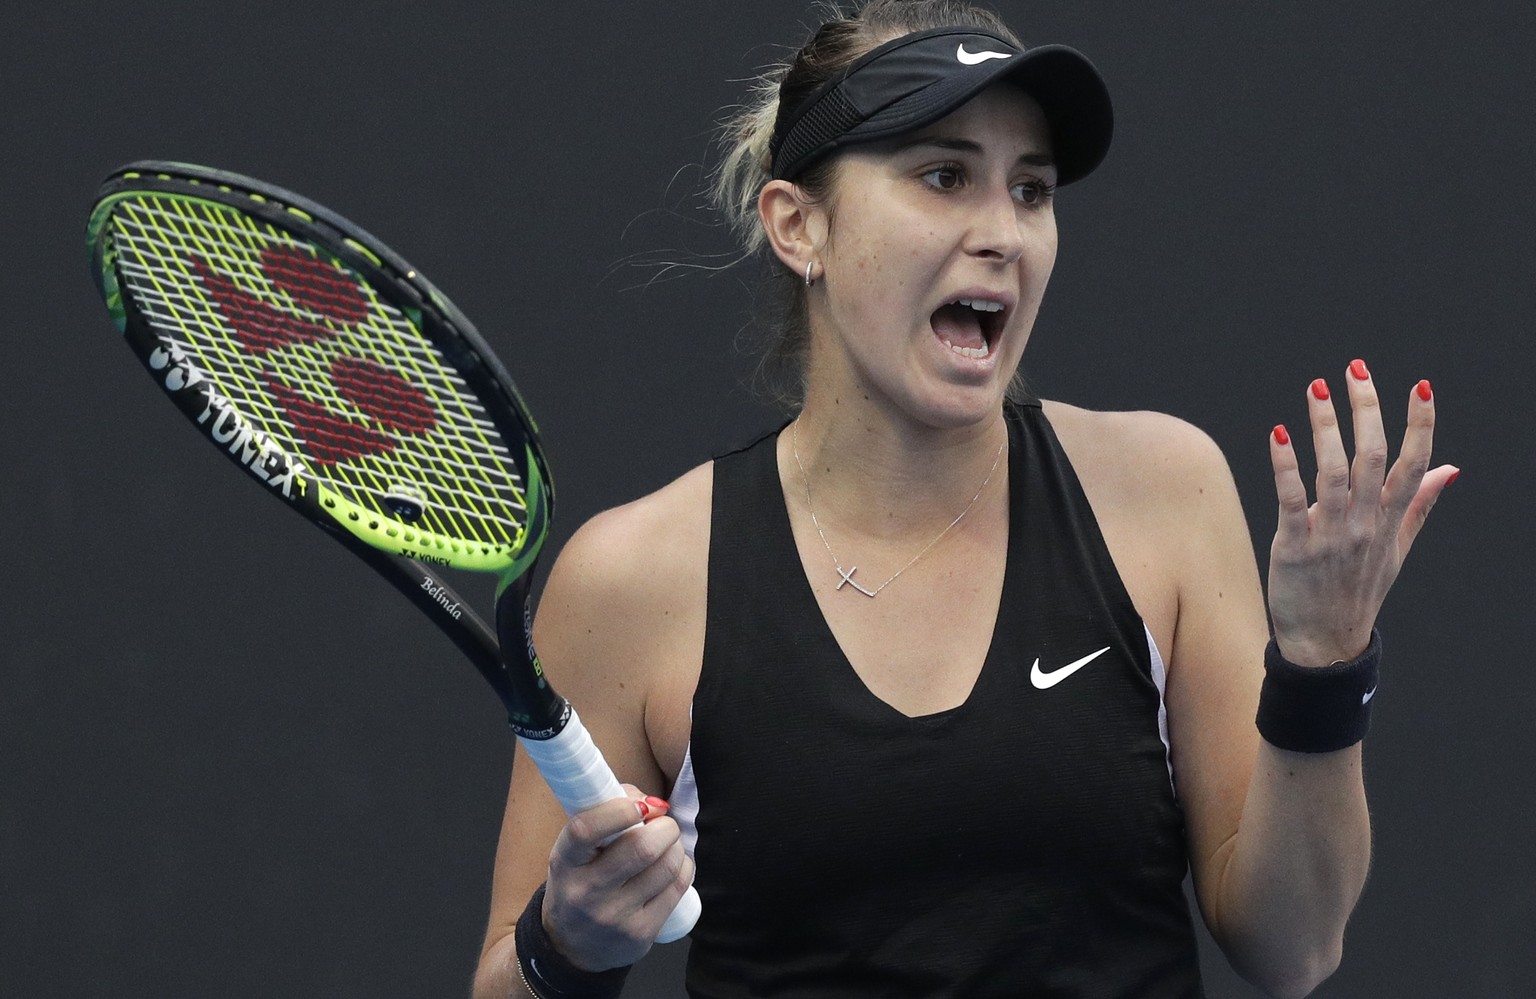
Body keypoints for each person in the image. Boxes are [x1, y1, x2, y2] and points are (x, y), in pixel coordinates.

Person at [472, 2, 1457, 997]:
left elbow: (1294, 949)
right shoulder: (634, 579)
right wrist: (568, 946)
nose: (1004, 235)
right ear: (798, 223)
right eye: (944, 176)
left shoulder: (1165, 493)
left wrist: (1323, 667)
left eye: (1031, 190)